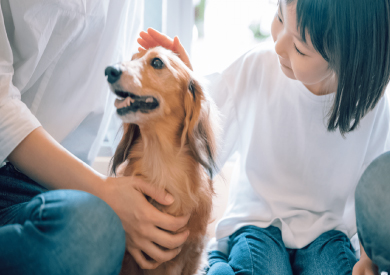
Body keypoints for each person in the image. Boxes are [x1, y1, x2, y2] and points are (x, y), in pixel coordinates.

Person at [137, 0, 390, 273]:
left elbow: (372, 197)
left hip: (328, 234)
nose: (279, 45)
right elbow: (200, 136)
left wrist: (367, 259)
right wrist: (181, 84)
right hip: (258, 223)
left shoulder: (372, 107)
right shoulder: (257, 66)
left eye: (299, 49)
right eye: (279, 17)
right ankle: (220, 262)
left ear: (349, 59)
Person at [0, 1, 190, 274]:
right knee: (92, 230)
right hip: (12, 177)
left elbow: (114, 109)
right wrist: (102, 191)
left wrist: (178, 97)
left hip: (67, 191)